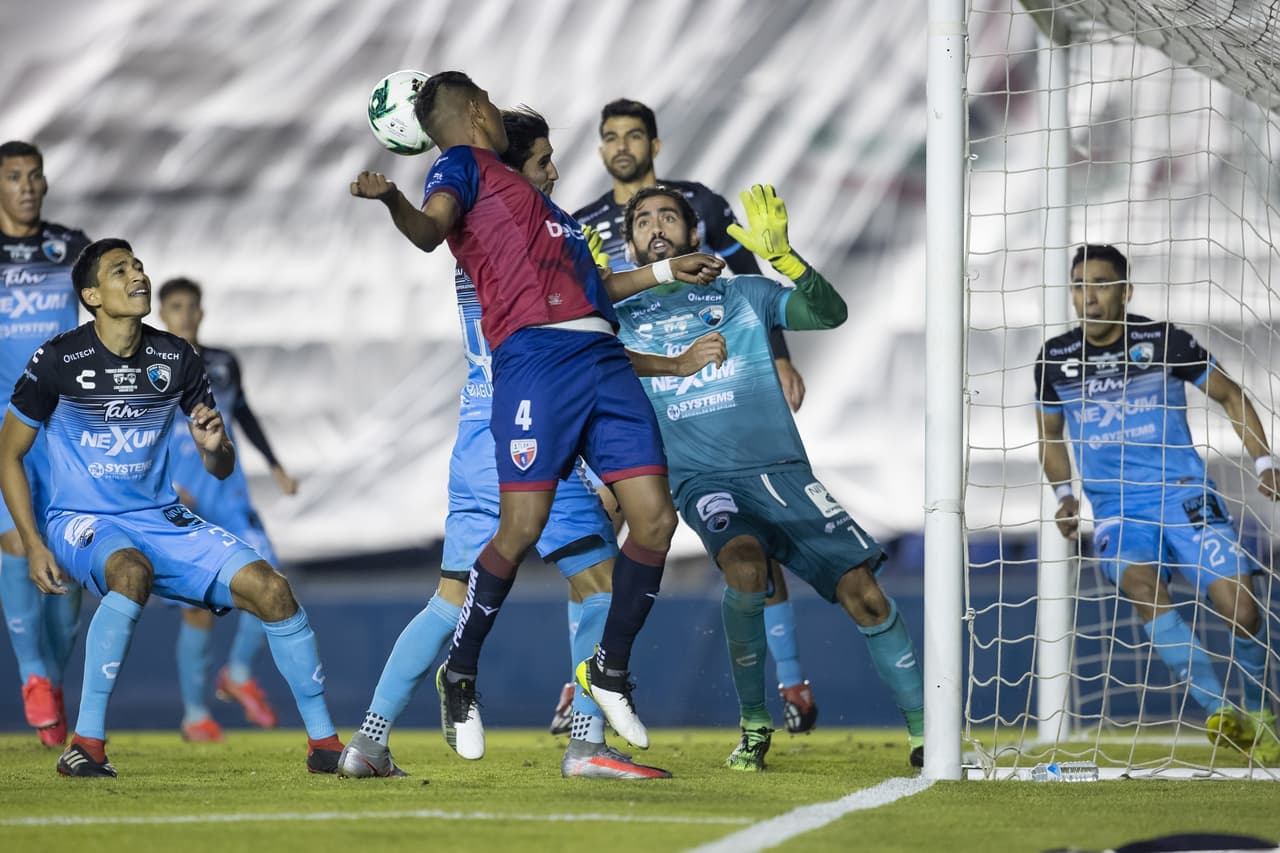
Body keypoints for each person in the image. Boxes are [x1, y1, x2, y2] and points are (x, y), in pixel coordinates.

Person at [349, 72, 724, 759]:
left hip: (477, 436)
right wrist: (402, 199)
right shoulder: (493, 205)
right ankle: (586, 743)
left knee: (450, 598)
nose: (554, 170)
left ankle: (368, 738)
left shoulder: (540, 231)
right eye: (544, 159)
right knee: (600, 579)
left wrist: (664, 277)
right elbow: (452, 235)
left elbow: (591, 301)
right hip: (529, 413)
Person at [0, 238, 343, 777]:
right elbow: (9, 454)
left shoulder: (175, 358)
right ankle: (86, 746)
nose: (138, 274)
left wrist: (216, 448)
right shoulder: (58, 359)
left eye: (138, 265)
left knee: (274, 591)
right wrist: (35, 539)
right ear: (91, 294)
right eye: (120, 270)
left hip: (161, 518)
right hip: (83, 521)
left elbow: (221, 465)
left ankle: (325, 747)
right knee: (130, 573)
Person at [614, 184, 926, 770]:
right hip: (704, 480)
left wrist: (788, 262)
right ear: (630, 244)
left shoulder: (744, 293)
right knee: (745, 565)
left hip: (782, 473)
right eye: (642, 220)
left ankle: (923, 733)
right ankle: (755, 728)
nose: (655, 226)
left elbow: (831, 313)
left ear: (694, 234)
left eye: (668, 217)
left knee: (865, 593)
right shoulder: (620, 315)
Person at [569, 98, 819, 734]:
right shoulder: (584, 222)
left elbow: (744, 278)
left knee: (753, 532)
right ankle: (583, 678)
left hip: (707, 380)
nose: (622, 146)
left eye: (633, 135)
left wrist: (780, 357)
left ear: (655, 144)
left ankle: (790, 680)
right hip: (631, 384)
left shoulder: (698, 203)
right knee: (598, 528)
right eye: (610, 137)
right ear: (601, 151)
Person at [1036, 243, 1280, 764]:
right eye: (1079, 286)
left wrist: (1264, 461)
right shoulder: (1054, 359)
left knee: (1242, 611)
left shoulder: (1163, 340)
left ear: (1125, 292)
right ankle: (1220, 712)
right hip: (1120, 512)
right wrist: (1064, 496)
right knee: (1141, 584)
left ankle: (1261, 711)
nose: (1088, 297)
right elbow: (1050, 435)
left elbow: (1231, 394)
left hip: (1186, 497)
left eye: (1100, 284)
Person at [158, 276, 297, 741]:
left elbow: (244, 414)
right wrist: (163, 485)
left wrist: (275, 464)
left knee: (273, 583)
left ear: (201, 311)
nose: (185, 314)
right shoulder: (147, 366)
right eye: (175, 306)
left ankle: (237, 673)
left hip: (230, 498)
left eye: (191, 306)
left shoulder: (222, 363)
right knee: (197, 611)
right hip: (184, 507)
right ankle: (195, 714)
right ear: (162, 314)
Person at [0, 140, 87, 747]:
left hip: (67, 422)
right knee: (14, 540)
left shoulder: (71, 246)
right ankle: (33, 675)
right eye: (13, 177)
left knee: (70, 556)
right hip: (6, 418)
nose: (27, 187)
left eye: (34, 176)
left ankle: (50, 678)